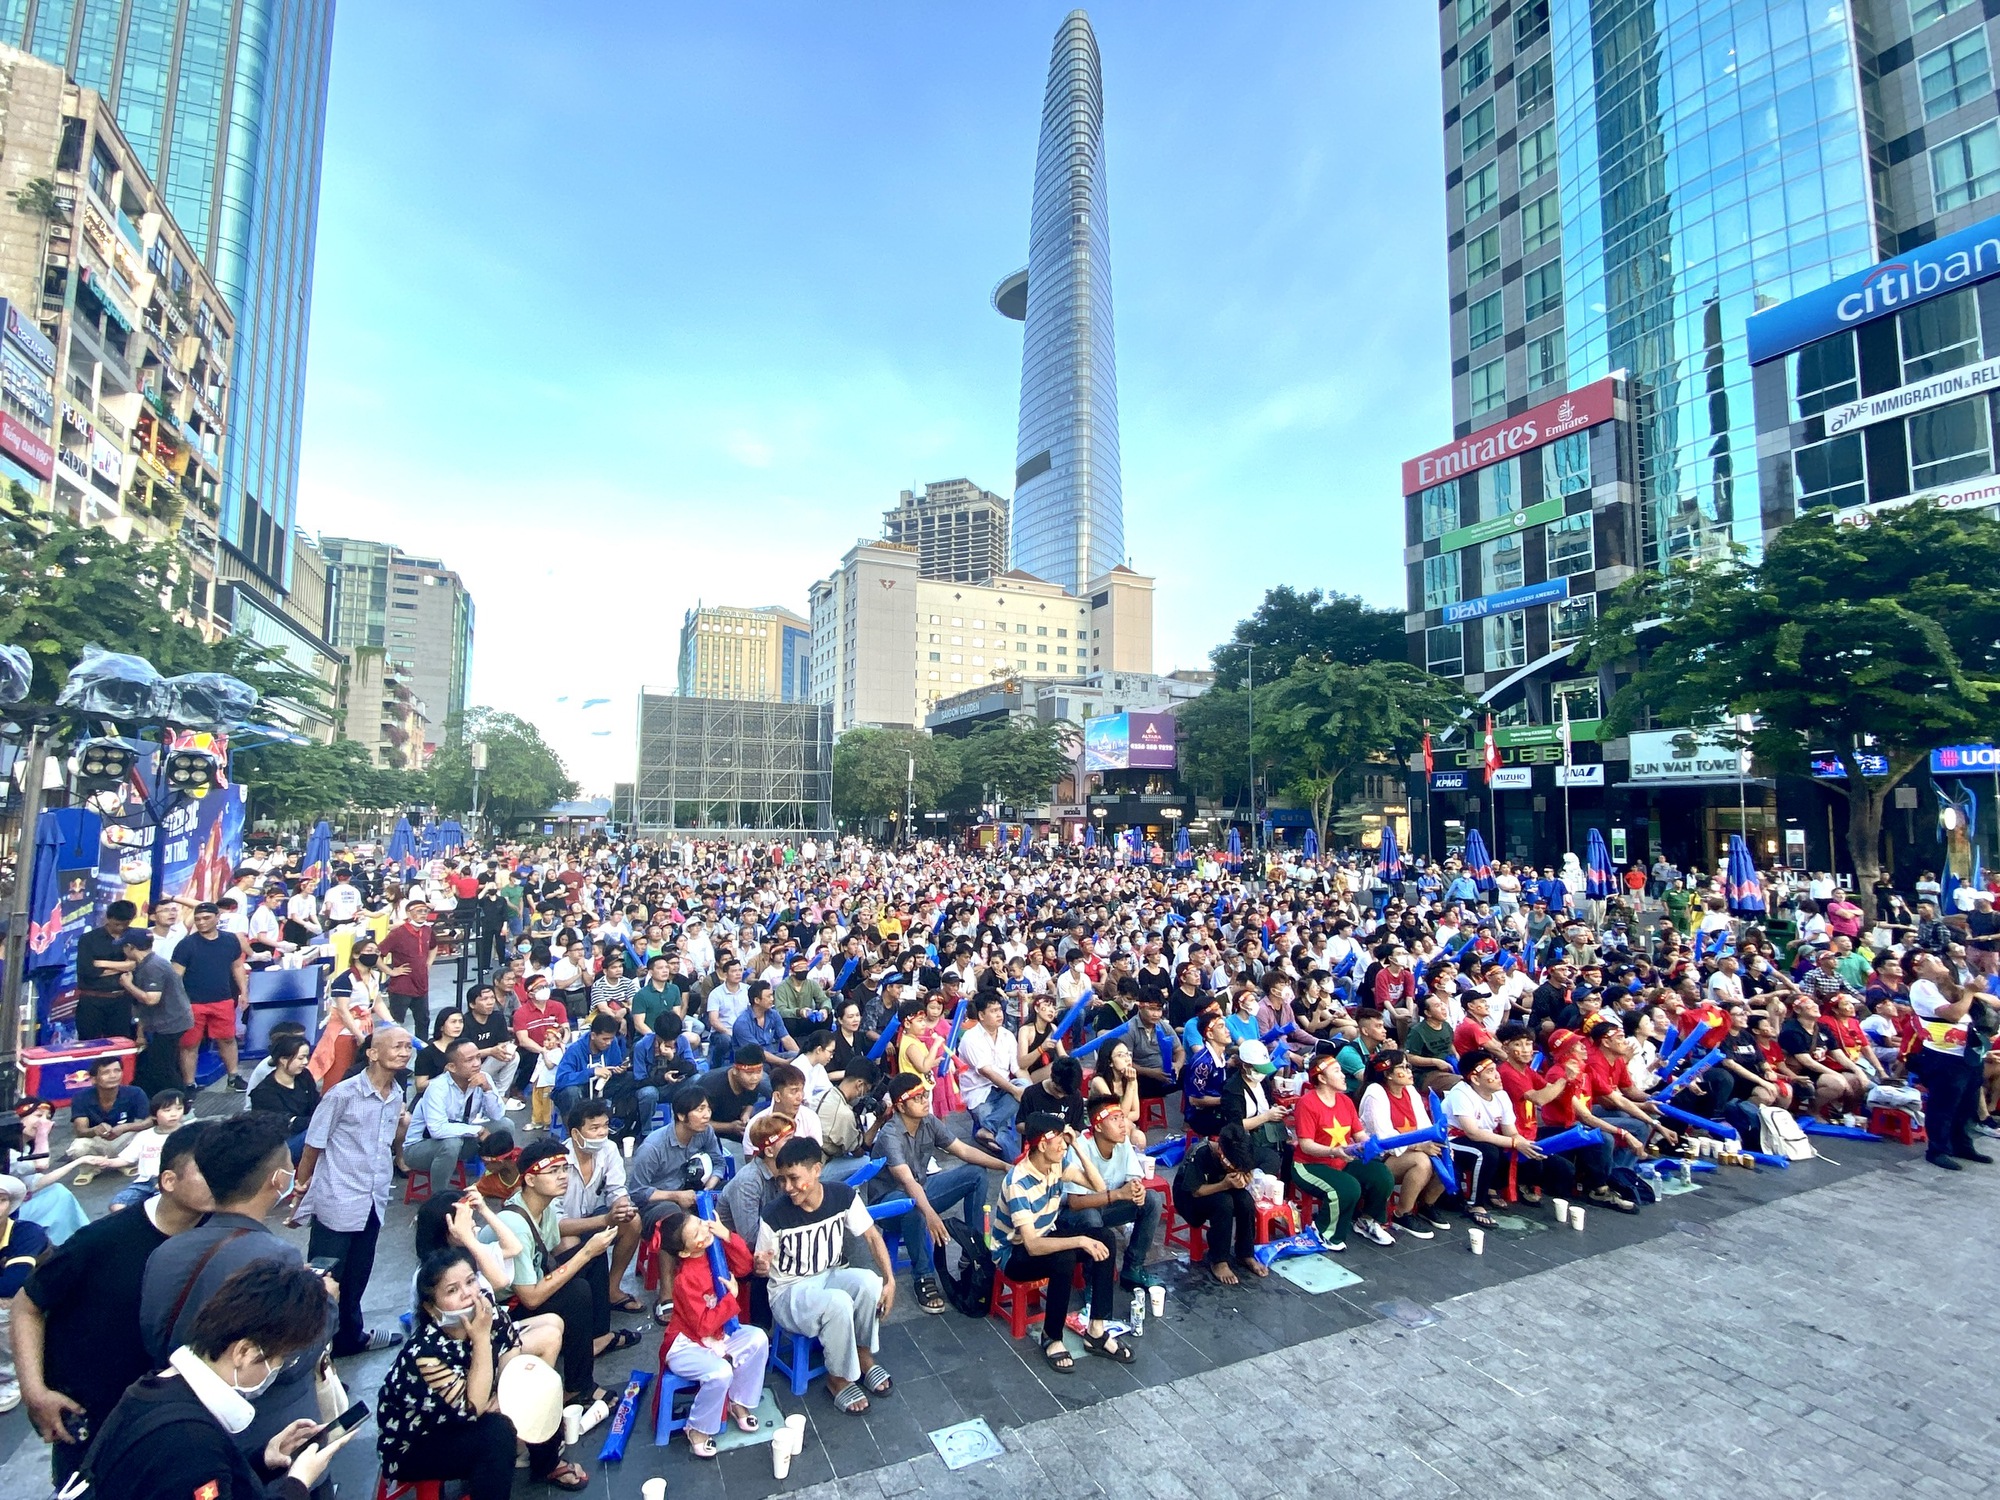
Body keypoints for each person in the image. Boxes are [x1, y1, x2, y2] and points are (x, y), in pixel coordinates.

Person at [14, 1119, 212, 1482]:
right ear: (168, 1180)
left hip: (178, 1420)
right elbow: (28, 1304)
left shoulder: (225, 1238)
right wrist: (34, 1391)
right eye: (207, 1168)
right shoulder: (100, 1241)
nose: (222, 1177)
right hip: (94, 1419)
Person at [139, 1114, 337, 1460]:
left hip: (191, 1423)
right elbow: (291, 1360)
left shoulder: (164, 1252)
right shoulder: (276, 1256)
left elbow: (154, 1335)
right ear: (278, 1180)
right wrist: (327, 1303)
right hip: (270, 1433)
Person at [89, 1261, 358, 1500]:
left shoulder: (152, 1391)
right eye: (281, 1360)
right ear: (243, 1352)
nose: (277, 1369)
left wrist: (262, 1460)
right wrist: (298, 1483)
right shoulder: (191, 1442)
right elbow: (194, 1470)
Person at [375, 1247, 587, 1496]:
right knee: (496, 1435)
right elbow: (472, 1406)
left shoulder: (486, 1308)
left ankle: (547, 1463)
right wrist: (481, 1338)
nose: (467, 1294)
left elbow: (511, 1353)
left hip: (468, 1407)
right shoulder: (425, 1354)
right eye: (452, 1290)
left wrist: (506, 1391)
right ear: (432, 1308)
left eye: (470, 1281)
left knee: (534, 1383)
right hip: (418, 1440)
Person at [481, 1138, 632, 1409]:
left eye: (565, 1169)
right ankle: (577, 1387)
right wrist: (585, 1253)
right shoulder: (514, 1223)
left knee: (593, 1256)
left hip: (530, 1284)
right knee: (577, 1292)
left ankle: (596, 1340)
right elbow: (530, 1298)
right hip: (505, 1309)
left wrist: (605, 1223)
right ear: (529, 1180)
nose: (563, 1177)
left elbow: (557, 1236)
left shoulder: (542, 1206)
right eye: (553, 1172)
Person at [754, 1138, 896, 1414]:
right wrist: (760, 1265)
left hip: (829, 1275)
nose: (788, 1188)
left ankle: (863, 1355)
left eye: (794, 1179)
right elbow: (762, 1267)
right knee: (838, 1303)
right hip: (789, 1292)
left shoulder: (842, 1196)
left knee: (869, 1282)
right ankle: (838, 1379)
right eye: (782, 1180)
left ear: (816, 1170)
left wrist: (889, 1281)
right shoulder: (774, 1214)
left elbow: (871, 1236)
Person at [294, 1025, 411, 1358]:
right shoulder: (342, 1095)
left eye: (407, 1047)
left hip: (373, 1199)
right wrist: (301, 1190)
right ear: (373, 1053)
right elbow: (313, 1146)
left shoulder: (397, 1094)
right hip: (338, 1198)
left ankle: (350, 1336)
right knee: (326, 1279)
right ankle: (314, 1353)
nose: (404, 1052)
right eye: (396, 1046)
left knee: (358, 1275)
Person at [997, 1112, 1135, 1372]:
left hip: (1046, 1237)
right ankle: (1052, 1336)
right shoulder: (1018, 1182)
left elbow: (1097, 1184)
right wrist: (1080, 1240)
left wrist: (1077, 1148)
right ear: (1041, 1145)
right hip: (1014, 1254)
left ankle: (1096, 1329)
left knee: (1104, 1237)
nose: (1063, 1146)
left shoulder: (1057, 1165)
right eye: (1059, 1141)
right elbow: (1032, 1246)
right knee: (1066, 1255)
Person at [872, 1072, 1009, 1315]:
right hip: (888, 1204)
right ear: (900, 1106)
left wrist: (1005, 1165)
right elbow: (905, 1180)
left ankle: (972, 1248)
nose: (925, 1100)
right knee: (912, 1204)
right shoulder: (890, 1135)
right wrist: (931, 1215)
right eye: (917, 1098)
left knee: (976, 1174)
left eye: (925, 1094)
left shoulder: (928, 1122)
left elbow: (964, 1151)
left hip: (920, 1190)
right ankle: (923, 1277)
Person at [655, 1208, 770, 1459]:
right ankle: (697, 1428)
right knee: (720, 1372)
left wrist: (726, 1234)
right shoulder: (684, 1280)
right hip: (686, 1344)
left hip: (718, 1335)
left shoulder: (713, 1248)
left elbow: (744, 1266)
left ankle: (738, 1401)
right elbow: (703, 1325)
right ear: (685, 1252)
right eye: (695, 1232)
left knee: (758, 1339)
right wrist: (731, 1299)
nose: (703, 1230)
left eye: (699, 1222)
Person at [1056, 1096, 1163, 1292]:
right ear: (1097, 1126)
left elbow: (1132, 1178)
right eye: (1115, 1119)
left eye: (1122, 1117)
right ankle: (1093, 1282)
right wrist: (1118, 1195)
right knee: (1091, 1216)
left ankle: (1133, 1268)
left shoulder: (1122, 1142)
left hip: (1107, 1207)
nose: (1123, 1125)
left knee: (1152, 1200)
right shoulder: (1081, 1147)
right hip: (1071, 1216)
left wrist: (1136, 1189)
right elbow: (1074, 1203)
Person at [1291, 1051, 1396, 1250]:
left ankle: (1367, 1221)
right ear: (1321, 1078)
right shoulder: (1307, 1103)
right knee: (1347, 1188)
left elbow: (1359, 1134)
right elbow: (1306, 1145)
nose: (1343, 1075)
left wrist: (1372, 1146)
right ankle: (1324, 1232)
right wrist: (1334, 1151)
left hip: (1342, 1159)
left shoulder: (1346, 1101)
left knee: (1381, 1175)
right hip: (1309, 1165)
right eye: (1337, 1071)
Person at [559, 1099, 644, 1311]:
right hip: (558, 1231)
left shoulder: (609, 1148)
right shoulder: (558, 1160)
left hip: (590, 1217)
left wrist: (622, 1206)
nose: (602, 1133)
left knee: (632, 1221)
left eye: (605, 1126)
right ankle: (579, 1301)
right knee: (569, 1242)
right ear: (575, 1133)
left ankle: (612, 1290)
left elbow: (617, 1189)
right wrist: (605, 1220)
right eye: (594, 1128)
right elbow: (556, 1224)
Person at [1442, 1053, 1544, 1228]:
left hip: (1480, 1139)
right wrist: (1514, 1142)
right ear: (1475, 1078)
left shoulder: (1501, 1095)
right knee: (1487, 1152)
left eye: (1496, 1069)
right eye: (1490, 1071)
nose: (1498, 1075)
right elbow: (1472, 1132)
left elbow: (1510, 1132)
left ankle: (1491, 1187)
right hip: (1452, 1140)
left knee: (1524, 1151)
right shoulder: (1461, 1093)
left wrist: (1522, 1143)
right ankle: (1476, 1205)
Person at [1908, 950, 1988, 1169]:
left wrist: (1967, 989)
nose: (1939, 961)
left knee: (1967, 1102)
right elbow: (1953, 1014)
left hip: (1967, 1051)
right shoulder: (1921, 986)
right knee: (1944, 1104)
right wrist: (1970, 994)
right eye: (1931, 960)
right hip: (1943, 1054)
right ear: (1919, 968)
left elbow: (1989, 1001)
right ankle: (1937, 1149)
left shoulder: (1943, 984)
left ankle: (1962, 1144)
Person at [407, 1037, 507, 1190]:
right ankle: (439, 1199)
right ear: (452, 1067)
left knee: (505, 1126)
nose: (476, 1064)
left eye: (478, 1057)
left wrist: (487, 1089)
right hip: (420, 1148)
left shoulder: (483, 1078)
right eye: (469, 1060)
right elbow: (437, 1129)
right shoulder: (437, 1087)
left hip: (461, 1139)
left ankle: (497, 1183)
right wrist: (477, 1130)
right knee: (451, 1144)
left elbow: (497, 1115)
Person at [1172, 1124, 1266, 1283]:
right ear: (1221, 1152)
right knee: (1224, 1203)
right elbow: (1196, 1191)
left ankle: (1245, 1253)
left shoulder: (1241, 1151)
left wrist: (1246, 1177)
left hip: (1223, 1189)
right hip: (1190, 1199)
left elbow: (1252, 1166)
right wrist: (1225, 1185)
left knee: (1245, 1200)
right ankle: (1219, 1260)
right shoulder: (1201, 1152)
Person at [630, 1085, 727, 1235]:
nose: (707, 1115)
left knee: (729, 1192)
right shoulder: (652, 1147)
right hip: (658, 1203)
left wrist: (707, 1189)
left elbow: (719, 1162)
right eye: (700, 1110)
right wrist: (675, 1196)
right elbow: (637, 1192)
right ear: (681, 1116)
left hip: (692, 1190)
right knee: (676, 1219)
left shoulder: (705, 1131)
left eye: (708, 1109)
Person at [174, 901, 251, 1090]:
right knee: (190, 1044)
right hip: (193, 1003)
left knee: (227, 1039)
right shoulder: (186, 945)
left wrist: (243, 991)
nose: (201, 922)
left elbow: (237, 966)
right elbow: (176, 977)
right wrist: (179, 1004)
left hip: (223, 999)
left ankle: (233, 1076)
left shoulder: (230, 940)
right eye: (198, 919)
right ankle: (189, 1084)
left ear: (217, 918)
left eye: (206, 918)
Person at [121, 930, 195, 1093]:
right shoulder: (146, 964)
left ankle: (183, 1104)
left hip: (171, 1024)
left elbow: (151, 999)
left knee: (164, 1068)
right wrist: (141, 1033)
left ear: (130, 947)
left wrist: (128, 985)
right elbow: (143, 1007)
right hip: (160, 1023)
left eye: (123, 947)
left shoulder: (153, 967)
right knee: (150, 1064)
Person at [309, 937, 389, 1086]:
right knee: (339, 1074)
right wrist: (358, 1035)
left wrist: (391, 1023)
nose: (374, 954)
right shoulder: (345, 979)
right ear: (356, 955)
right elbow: (343, 1010)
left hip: (365, 1029)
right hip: (344, 1032)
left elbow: (377, 1001)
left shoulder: (375, 976)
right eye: (369, 951)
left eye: (376, 951)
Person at [958, 991, 1026, 1156]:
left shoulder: (1007, 1035)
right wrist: (1015, 1091)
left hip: (1003, 1088)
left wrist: (1029, 1091)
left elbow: (1017, 1069)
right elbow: (986, 1071)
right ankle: (1016, 1166)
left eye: (999, 1010)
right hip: (979, 1092)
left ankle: (987, 1127)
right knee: (1000, 1135)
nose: (999, 1014)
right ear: (981, 1015)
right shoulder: (971, 1038)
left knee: (1025, 1086)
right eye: (993, 1011)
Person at [63, 1056, 152, 1164]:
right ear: (93, 1079)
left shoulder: (136, 1092)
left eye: (117, 1071)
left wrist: (124, 1128)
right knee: (77, 1148)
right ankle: (91, 1169)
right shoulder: (81, 1097)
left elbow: (150, 1121)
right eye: (106, 1073)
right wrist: (95, 1130)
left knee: (148, 1135)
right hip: (97, 1139)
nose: (113, 1076)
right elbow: (80, 1130)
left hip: (124, 1137)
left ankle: (125, 1163)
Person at [74, 900, 140, 1041]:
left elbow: (137, 964)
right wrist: (124, 966)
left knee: (120, 1043)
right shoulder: (89, 939)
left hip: (122, 1000)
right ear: (108, 918)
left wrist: (103, 964)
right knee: (89, 1045)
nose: (121, 927)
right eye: (117, 924)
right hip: (92, 1000)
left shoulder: (135, 937)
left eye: (125, 924)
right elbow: (88, 971)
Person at [249, 1037, 320, 1161]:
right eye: (300, 1058)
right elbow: (286, 1124)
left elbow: (317, 1104)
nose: (305, 1062)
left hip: (308, 1129)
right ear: (283, 1059)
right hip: (279, 1146)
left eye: (306, 1057)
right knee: (317, 1133)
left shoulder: (304, 1076)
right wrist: (321, 1121)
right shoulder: (264, 1093)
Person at [382, 898, 439, 1039]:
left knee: (423, 1021)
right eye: (419, 911)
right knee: (396, 1022)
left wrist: (428, 963)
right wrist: (390, 971)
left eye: (425, 911)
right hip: (402, 986)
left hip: (421, 984)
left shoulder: (427, 930)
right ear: (409, 913)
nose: (423, 914)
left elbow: (433, 946)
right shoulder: (397, 933)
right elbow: (378, 953)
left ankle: (423, 1054)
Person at [462, 983, 522, 1105]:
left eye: (492, 998)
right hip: (469, 1066)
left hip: (489, 1064)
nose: (490, 1002)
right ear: (472, 1004)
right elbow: (462, 1055)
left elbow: (503, 1043)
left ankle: (499, 1095)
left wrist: (502, 1050)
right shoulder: (464, 1022)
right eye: (484, 999)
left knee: (513, 1056)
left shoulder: (497, 1017)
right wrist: (490, 1051)